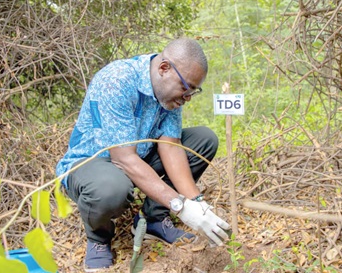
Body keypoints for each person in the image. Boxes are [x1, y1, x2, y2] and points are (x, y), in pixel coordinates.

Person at [56, 38, 231, 271]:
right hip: (93, 162)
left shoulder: (169, 94)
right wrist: (179, 205)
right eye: (185, 88)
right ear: (164, 69)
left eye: (193, 91)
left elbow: (170, 146)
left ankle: (153, 220)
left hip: (137, 156)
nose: (187, 98)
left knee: (203, 140)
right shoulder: (117, 81)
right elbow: (123, 159)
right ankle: (98, 239)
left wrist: (197, 203)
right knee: (111, 188)